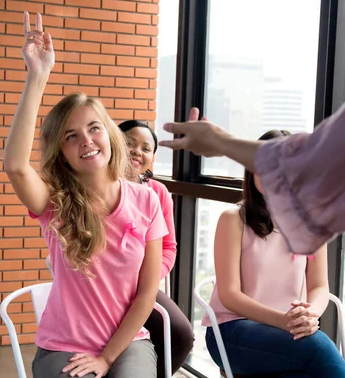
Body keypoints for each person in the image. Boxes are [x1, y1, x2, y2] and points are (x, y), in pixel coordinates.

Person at [4, 12, 166, 378]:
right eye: (70, 136)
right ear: (60, 151)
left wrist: (108, 358)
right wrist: (37, 77)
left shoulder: (147, 201)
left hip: (127, 343)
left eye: (94, 129)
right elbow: (15, 165)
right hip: (63, 346)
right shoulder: (53, 200)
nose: (86, 141)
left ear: (109, 135)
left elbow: (145, 295)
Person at [203, 129, 345, 377]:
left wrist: (310, 315)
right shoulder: (234, 219)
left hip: (287, 335)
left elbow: (320, 286)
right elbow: (229, 295)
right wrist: (283, 321)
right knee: (319, 347)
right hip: (233, 330)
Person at [160, 106, 345, 255]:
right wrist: (220, 142)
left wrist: (221, 142)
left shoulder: (309, 219)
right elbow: (307, 161)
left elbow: (305, 161)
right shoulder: (235, 219)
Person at [118, 120, 194, 377]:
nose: (137, 152)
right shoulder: (97, 185)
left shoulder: (158, 192)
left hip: (143, 287)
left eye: (145, 148)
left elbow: (169, 246)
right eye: (130, 143)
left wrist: (149, 279)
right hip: (104, 286)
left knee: (181, 335)